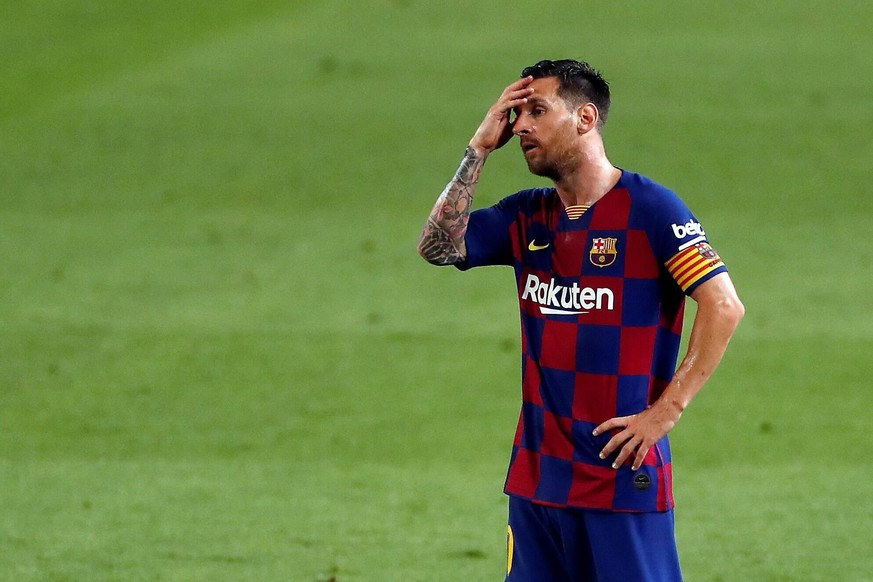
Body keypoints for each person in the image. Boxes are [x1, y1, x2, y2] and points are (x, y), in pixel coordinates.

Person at [417, 59, 745, 581]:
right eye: (517, 113)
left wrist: (666, 412)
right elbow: (437, 247)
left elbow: (724, 305)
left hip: (620, 479)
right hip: (537, 480)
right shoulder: (526, 216)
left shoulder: (652, 210)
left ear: (585, 119)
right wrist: (478, 149)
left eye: (537, 111)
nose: (520, 125)